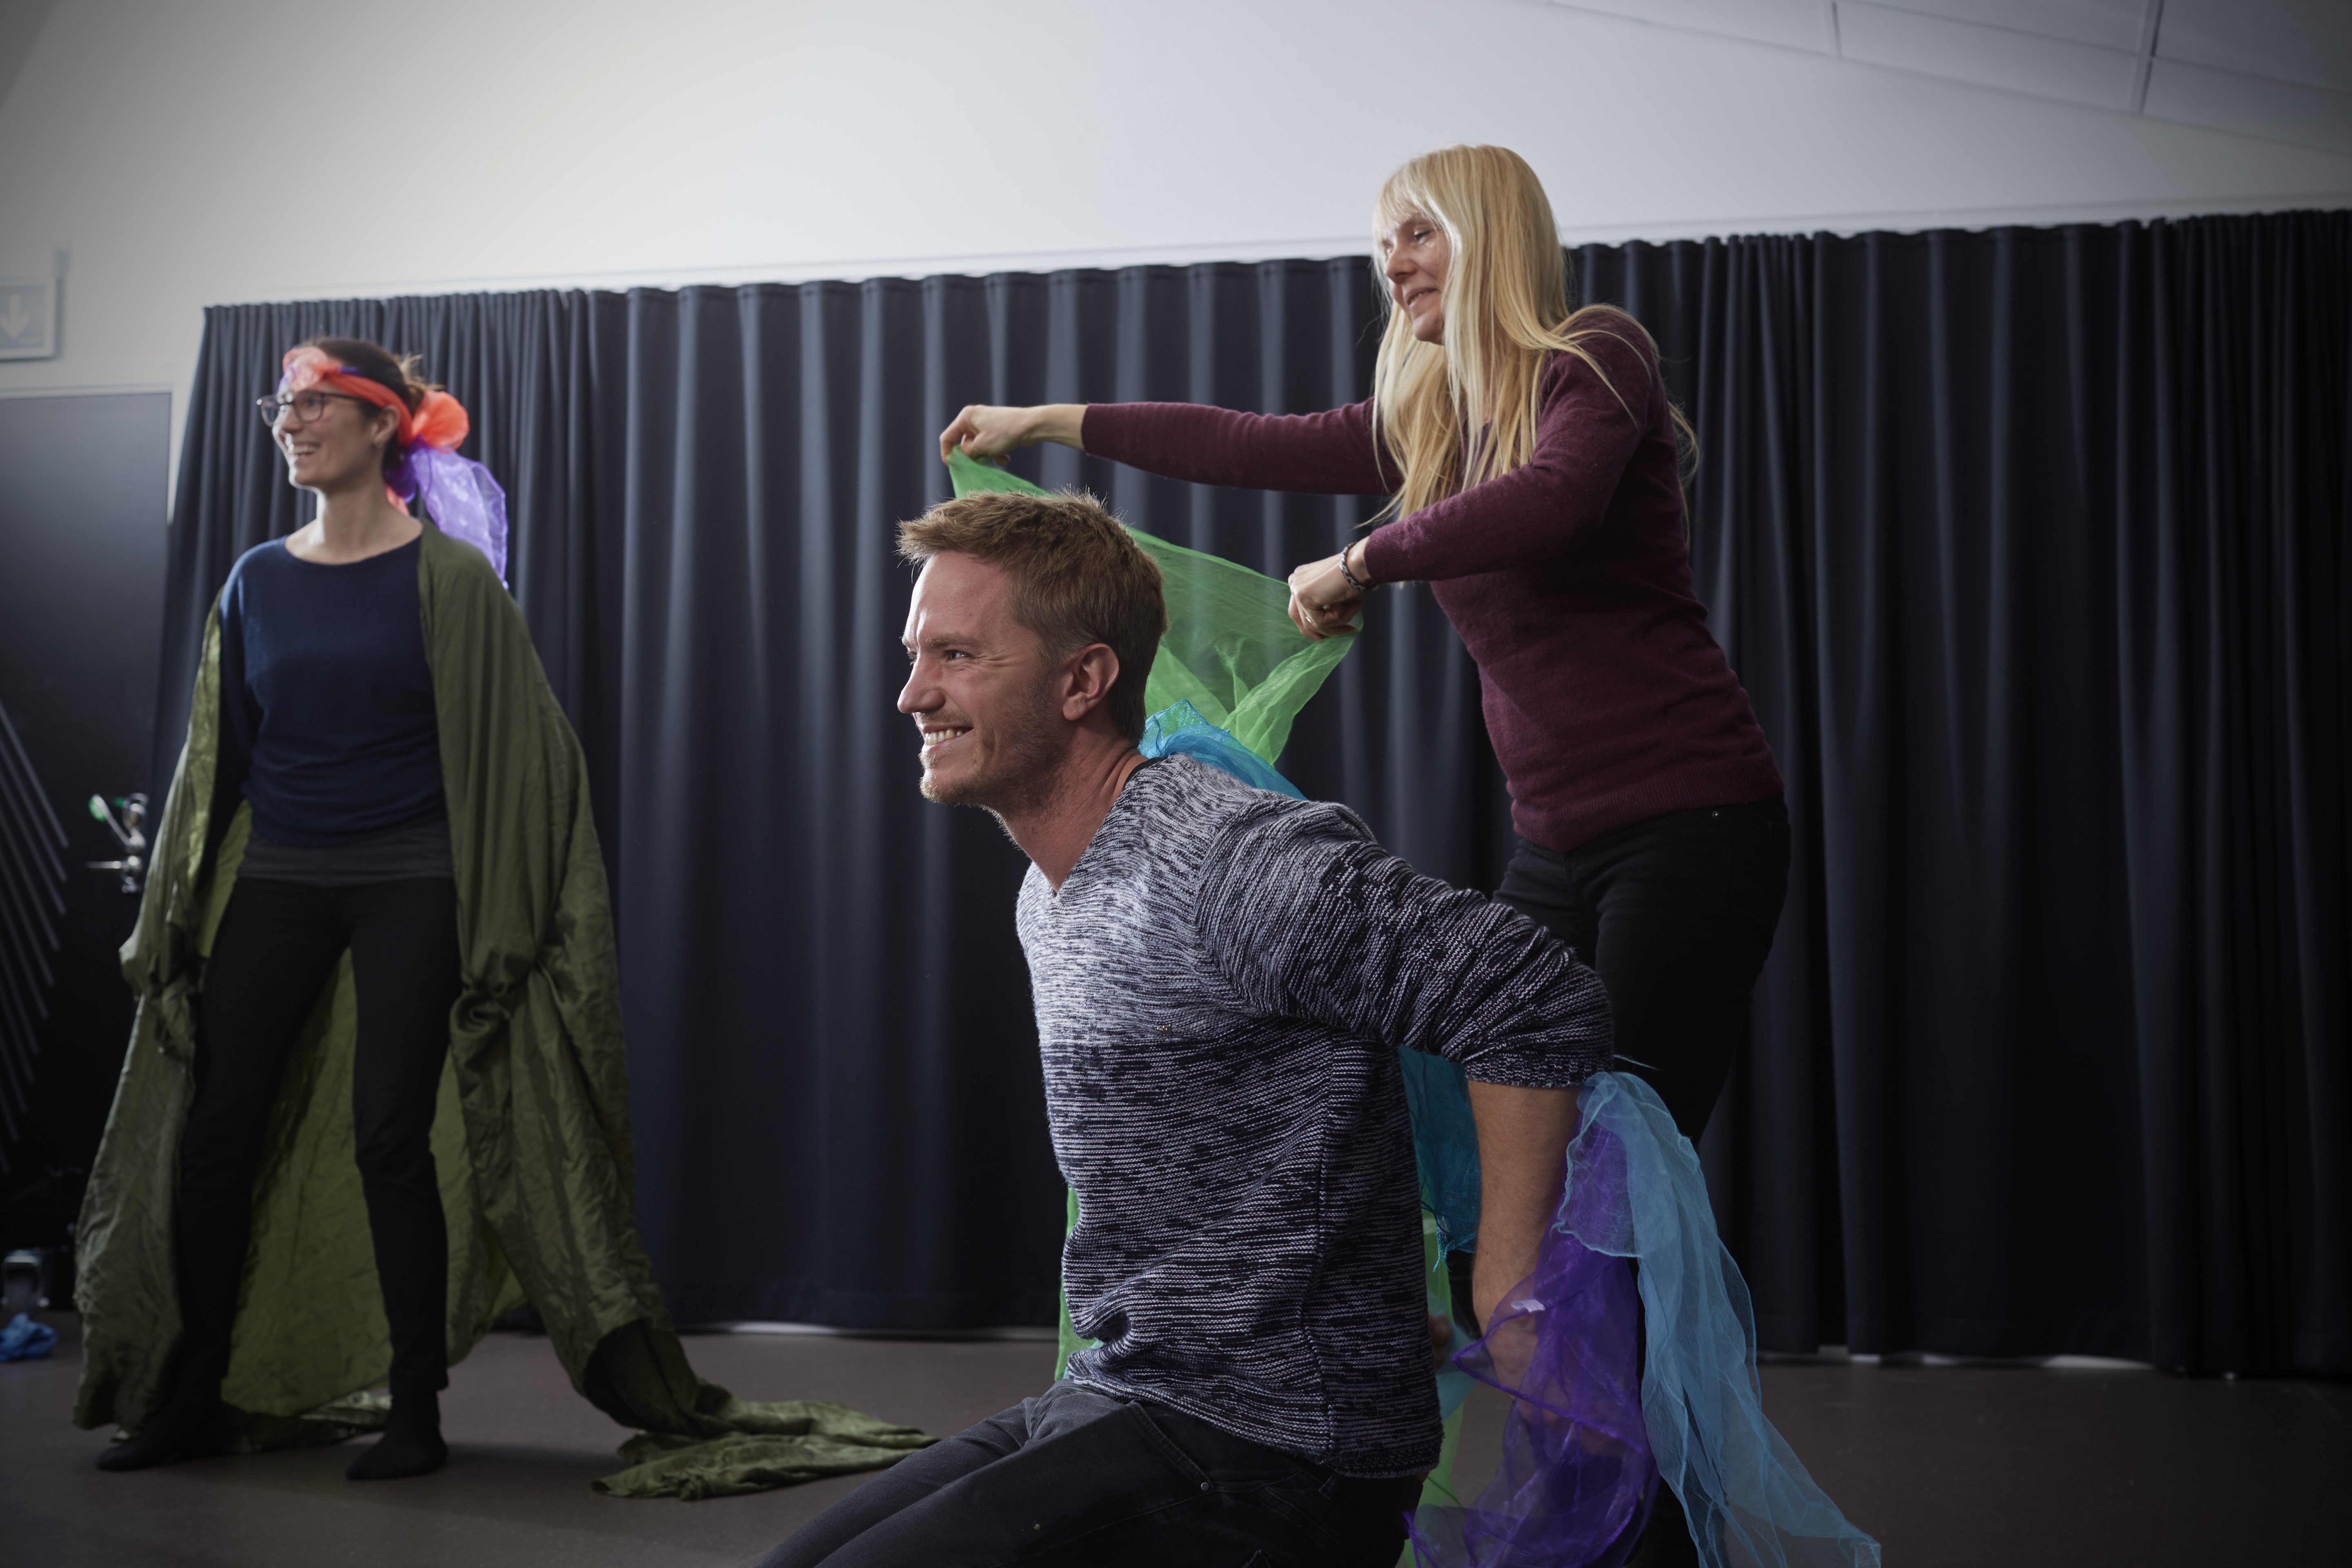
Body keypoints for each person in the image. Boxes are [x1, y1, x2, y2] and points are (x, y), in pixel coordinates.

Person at [79, 339, 928, 1496]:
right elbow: (217, 757)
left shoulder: (451, 581)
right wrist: (179, 910)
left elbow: (523, 758)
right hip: (279, 874)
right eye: (284, 405)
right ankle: (193, 1393)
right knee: (218, 1134)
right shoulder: (257, 580)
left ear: (382, 425)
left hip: (411, 880)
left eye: (317, 403)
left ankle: (414, 1408)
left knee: (390, 1135)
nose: (292, 421)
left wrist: (511, 922)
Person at [752, 487, 1614, 1567]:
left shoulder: (1224, 862)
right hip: (1129, 1393)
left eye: (957, 656)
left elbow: (1529, 993)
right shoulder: (1048, 893)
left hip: (1278, 1450)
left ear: (1083, 681)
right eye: (917, 654)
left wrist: (1509, 1292)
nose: (912, 693)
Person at [939, 144, 1788, 1150]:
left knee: (1624, 1156)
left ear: (1490, 236)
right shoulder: (1434, 424)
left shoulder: (1595, 356)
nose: (1394, 265)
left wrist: (1361, 562)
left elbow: (1552, 501)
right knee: (1513, 1144)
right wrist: (1045, 422)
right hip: (1555, 846)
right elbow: (1245, 442)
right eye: (1385, 245)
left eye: (1419, 234)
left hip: (1688, 822)